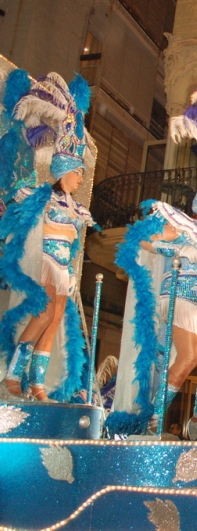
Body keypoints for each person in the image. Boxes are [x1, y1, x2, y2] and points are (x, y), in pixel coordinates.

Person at [107, 65, 197, 440]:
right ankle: (155, 418)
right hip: (179, 299)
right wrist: (169, 244)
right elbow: (142, 241)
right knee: (187, 358)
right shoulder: (183, 229)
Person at [0, 71, 98, 403]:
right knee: (42, 314)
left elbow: (73, 246)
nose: (81, 177)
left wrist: (69, 273)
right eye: (77, 172)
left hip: (61, 270)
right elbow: (22, 223)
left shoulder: (76, 209)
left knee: (55, 320)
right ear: (62, 171)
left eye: (82, 172)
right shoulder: (42, 197)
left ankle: (37, 383)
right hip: (41, 264)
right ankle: (13, 375)